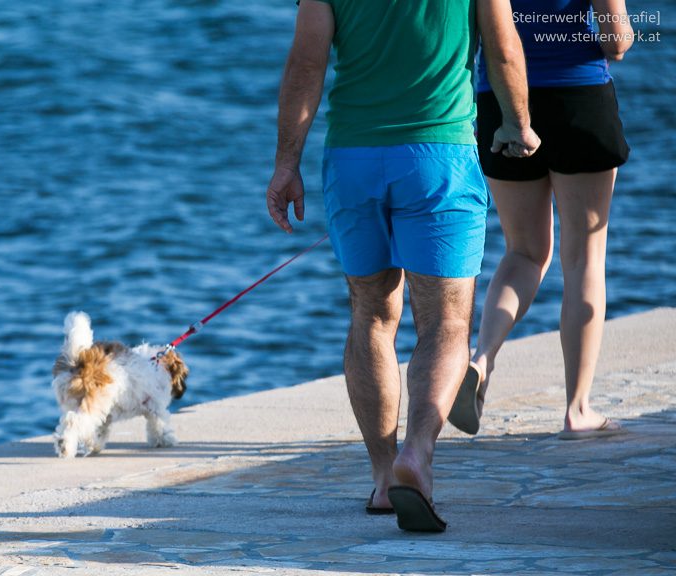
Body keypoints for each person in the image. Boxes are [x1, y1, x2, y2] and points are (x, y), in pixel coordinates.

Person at [266, 0, 539, 532]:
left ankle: (381, 478)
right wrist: (519, 124)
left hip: (354, 158)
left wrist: (285, 164)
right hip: (438, 155)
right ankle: (417, 455)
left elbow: (305, 63)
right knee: (446, 322)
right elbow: (505, 48)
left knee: (371, 314)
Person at [448, 0, 633, 440]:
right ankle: (578, 409)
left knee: (524, 251)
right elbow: (617, 41)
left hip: (502, 100)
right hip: (578, 98)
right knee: (584, 257)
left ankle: (482, 360)